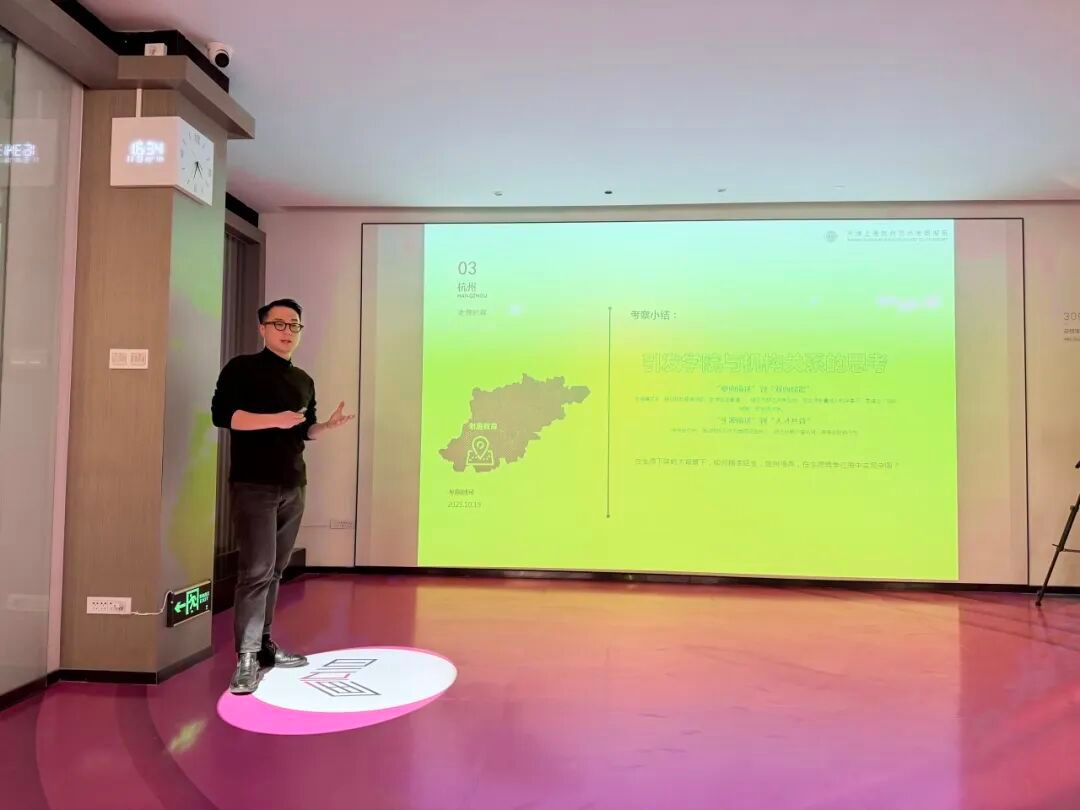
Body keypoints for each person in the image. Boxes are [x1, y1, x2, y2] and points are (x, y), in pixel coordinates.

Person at [211, 298, 354, 694]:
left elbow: (303, 429)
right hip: (253, 484)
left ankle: (264, 646)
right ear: (262, 328)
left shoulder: (303, 380)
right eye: (279, 324)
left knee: (275, 570)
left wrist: (326, 427)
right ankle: (246, 656)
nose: (288, 331)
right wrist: (276, 419)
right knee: (255, 570)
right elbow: (224, 416)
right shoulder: (241, 368)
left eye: (294, 325)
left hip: (294, 483)